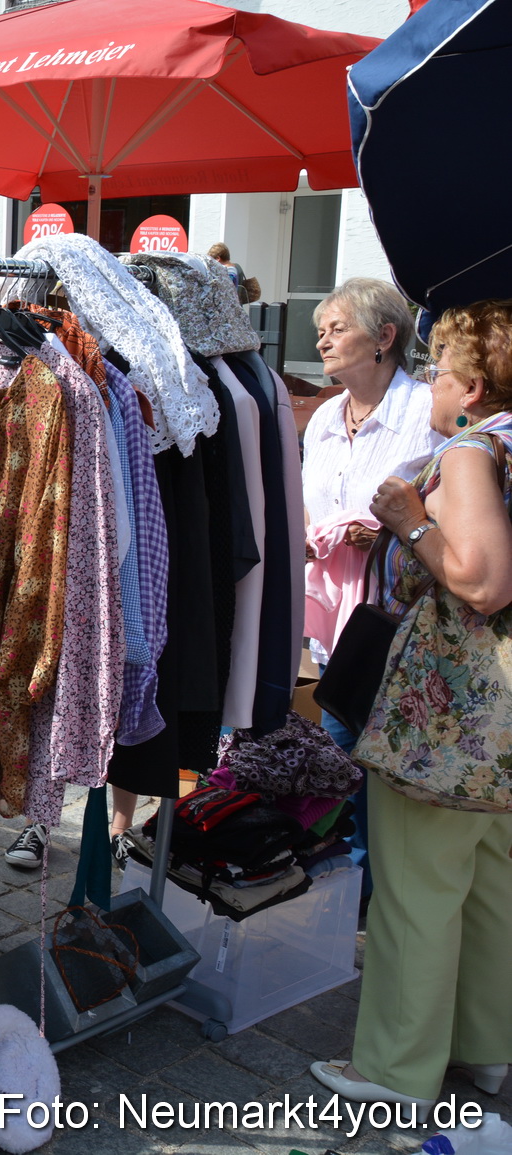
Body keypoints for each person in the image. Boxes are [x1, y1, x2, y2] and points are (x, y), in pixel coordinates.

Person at [309, 299, 512, 1109]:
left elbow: (485, 581)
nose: (426, 383)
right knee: (491, 881)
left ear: (470, 385)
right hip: (497, 716)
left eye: (437, 369)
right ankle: (488, 1047)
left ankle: (396, 1069)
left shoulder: (469, 449)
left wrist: (410, 522)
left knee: (416, 888)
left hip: (449, 708)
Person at [302, 279, 445, 896]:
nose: (322, 340)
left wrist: (390, 530)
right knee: (340, 748)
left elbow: (444, 505)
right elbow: (312, 506)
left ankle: (364, 885)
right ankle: (353, 886)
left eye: (337, 329)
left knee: (363, 753)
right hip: (332, 617)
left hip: (396, 616)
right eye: (321, 330)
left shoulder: (424, 411)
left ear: (385, 337)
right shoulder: (326, 418)